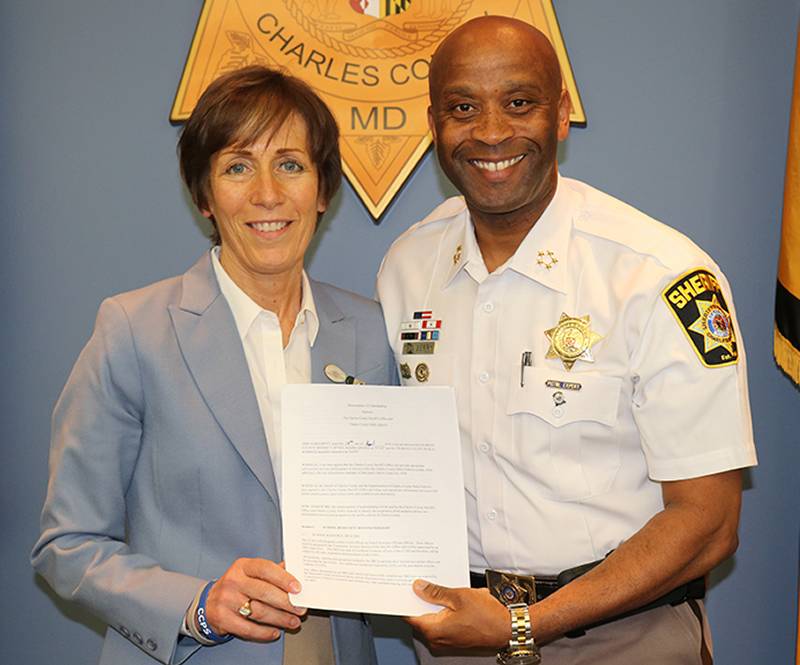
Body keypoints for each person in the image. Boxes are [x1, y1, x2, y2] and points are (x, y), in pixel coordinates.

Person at [376, 16, 757, 665]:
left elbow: (709, 521)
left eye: (519, 103)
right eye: (463, 107)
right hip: (460, 639)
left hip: (624, 638)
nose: (491, 132)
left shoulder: (659, 274)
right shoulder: (407, 267)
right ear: (433, 121)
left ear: (561, 112)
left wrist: (525, 625)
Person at [31, 65, 395, 665]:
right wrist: (197, 604)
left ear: (323, 189)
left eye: (290, 164)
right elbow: (67, 544)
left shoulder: (371, 333)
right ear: (204, 195)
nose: (267, 194)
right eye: (236, 166)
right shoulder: (133, 330)